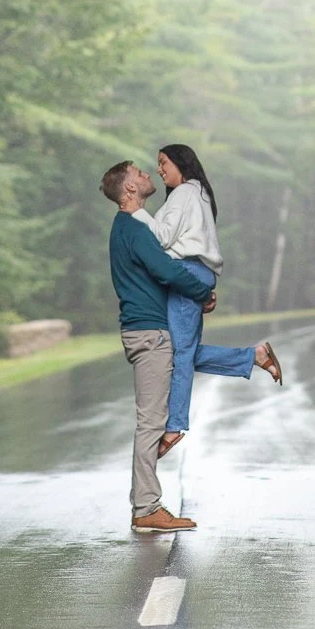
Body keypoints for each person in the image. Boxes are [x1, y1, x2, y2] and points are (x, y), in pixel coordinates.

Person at [134, 144, 282, 459]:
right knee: (180, 352)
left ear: (181, 162)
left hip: (186, 271)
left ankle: (173, 427)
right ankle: (253, 356)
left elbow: (160, 237)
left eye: (163, 163)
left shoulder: (185, 193)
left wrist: (134, 210)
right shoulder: (198, 193)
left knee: (179, 353)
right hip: (195, 273)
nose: (159, 170)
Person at [101, 159, 213, 534]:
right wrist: (203, 292)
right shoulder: (134, 228)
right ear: (129, 190)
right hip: (149, 333)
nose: (148, 174)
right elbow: (166, 272)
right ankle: (146, 507)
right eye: (139, 173)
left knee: (150, 420)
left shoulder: (126, 228)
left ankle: (145, 505)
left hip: (144, 331)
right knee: (150, 423)